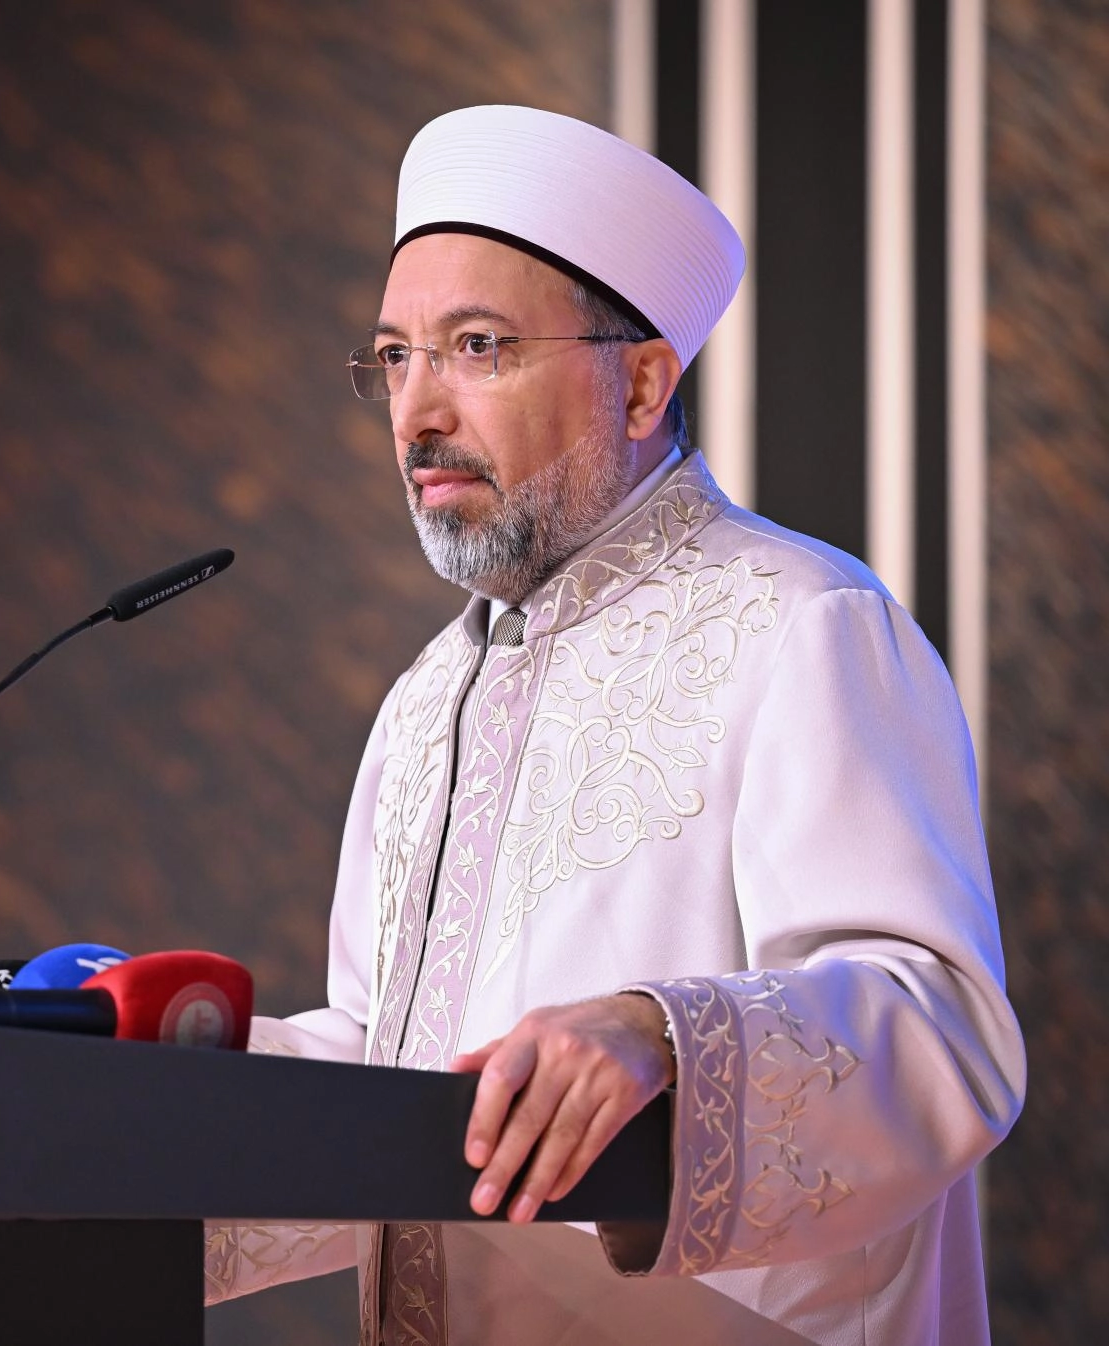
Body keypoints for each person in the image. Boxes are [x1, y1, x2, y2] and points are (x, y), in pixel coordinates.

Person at [203, 105, 1025, 1345]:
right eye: (395, 357)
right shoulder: (426, 699)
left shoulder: (801, 622)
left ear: (640, 382)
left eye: (476, 347)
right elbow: (394, 1076)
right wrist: (129, 1081)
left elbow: (938, 1026)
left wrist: (663, 1037)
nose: (417, 412)